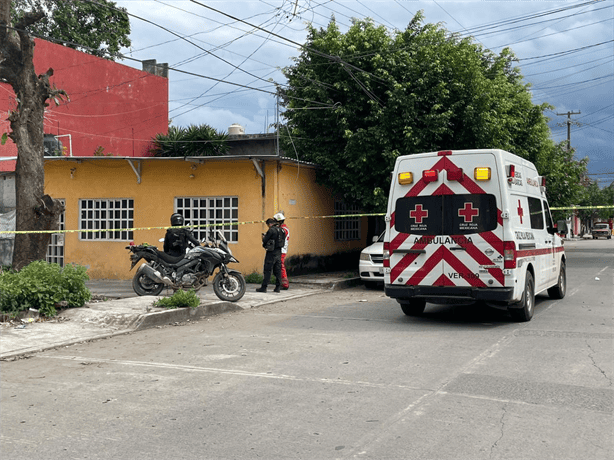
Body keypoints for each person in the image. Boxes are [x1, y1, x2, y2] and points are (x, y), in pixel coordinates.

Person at [256, 218, 284, 293]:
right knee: (278, 270)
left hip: (271, 253)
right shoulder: (281, 230)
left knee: (267, 270)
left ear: (270, 224)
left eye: (268, 225)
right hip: (279, 252)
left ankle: (264, 287)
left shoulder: (271, 230)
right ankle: (278, 287)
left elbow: (265, 241)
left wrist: (263, 238)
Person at [274, 211, 290, 290]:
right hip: (281, 250)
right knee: (279, 266)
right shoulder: (283, 228)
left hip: (282, 250)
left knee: (281, 266)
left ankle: (285, 284)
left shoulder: (283, 229)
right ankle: (281, 282)